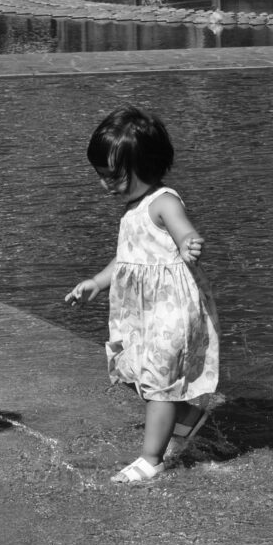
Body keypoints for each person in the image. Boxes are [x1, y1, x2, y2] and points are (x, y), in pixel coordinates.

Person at [65, 107, 220, 484]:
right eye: (101, 177)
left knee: (159, 385)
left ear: (145, 165)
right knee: (141, 374)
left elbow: (184, 230)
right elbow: (125, 259)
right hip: (143, 312)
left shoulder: (163, 202)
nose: (105, 185)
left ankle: (151, 459)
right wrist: (97, 283)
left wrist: (188, 245)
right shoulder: (133, 209)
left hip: (171, 310)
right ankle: (187, 418)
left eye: (113, 176)